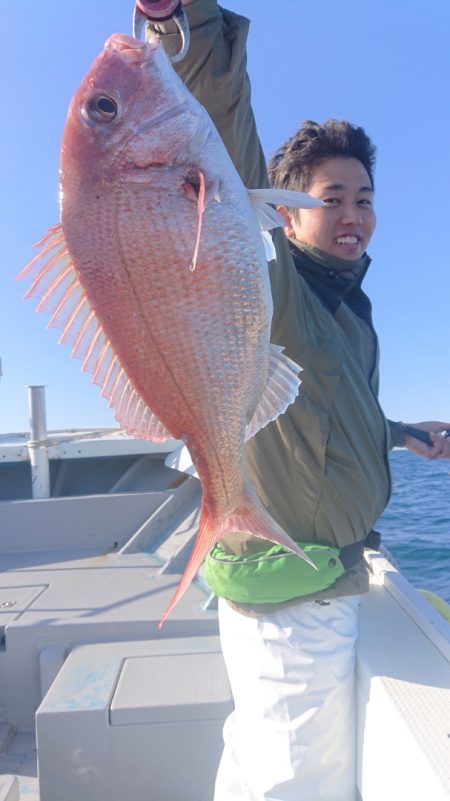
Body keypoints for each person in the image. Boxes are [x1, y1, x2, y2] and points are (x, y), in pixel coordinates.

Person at [148, 3, 450, 799]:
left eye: (363, 196)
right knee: (293, 780)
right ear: (283, 210)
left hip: (311, 571)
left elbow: (325, 413)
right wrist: (179, 22)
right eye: (330, 196)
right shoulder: (273, 274)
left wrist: (404, 432)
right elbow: (219, 126)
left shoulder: (346, 309)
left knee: (258, 758)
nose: (351, 214)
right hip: (293, 589)